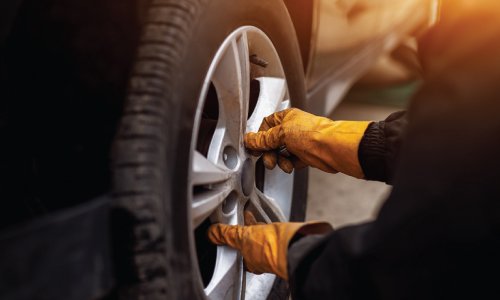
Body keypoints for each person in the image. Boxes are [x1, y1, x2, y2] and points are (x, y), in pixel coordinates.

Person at [207, 1, 500, 298]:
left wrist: (296, 255)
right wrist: (338, 140)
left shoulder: (483, 30)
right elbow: (474, 145)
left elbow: (412, 266)